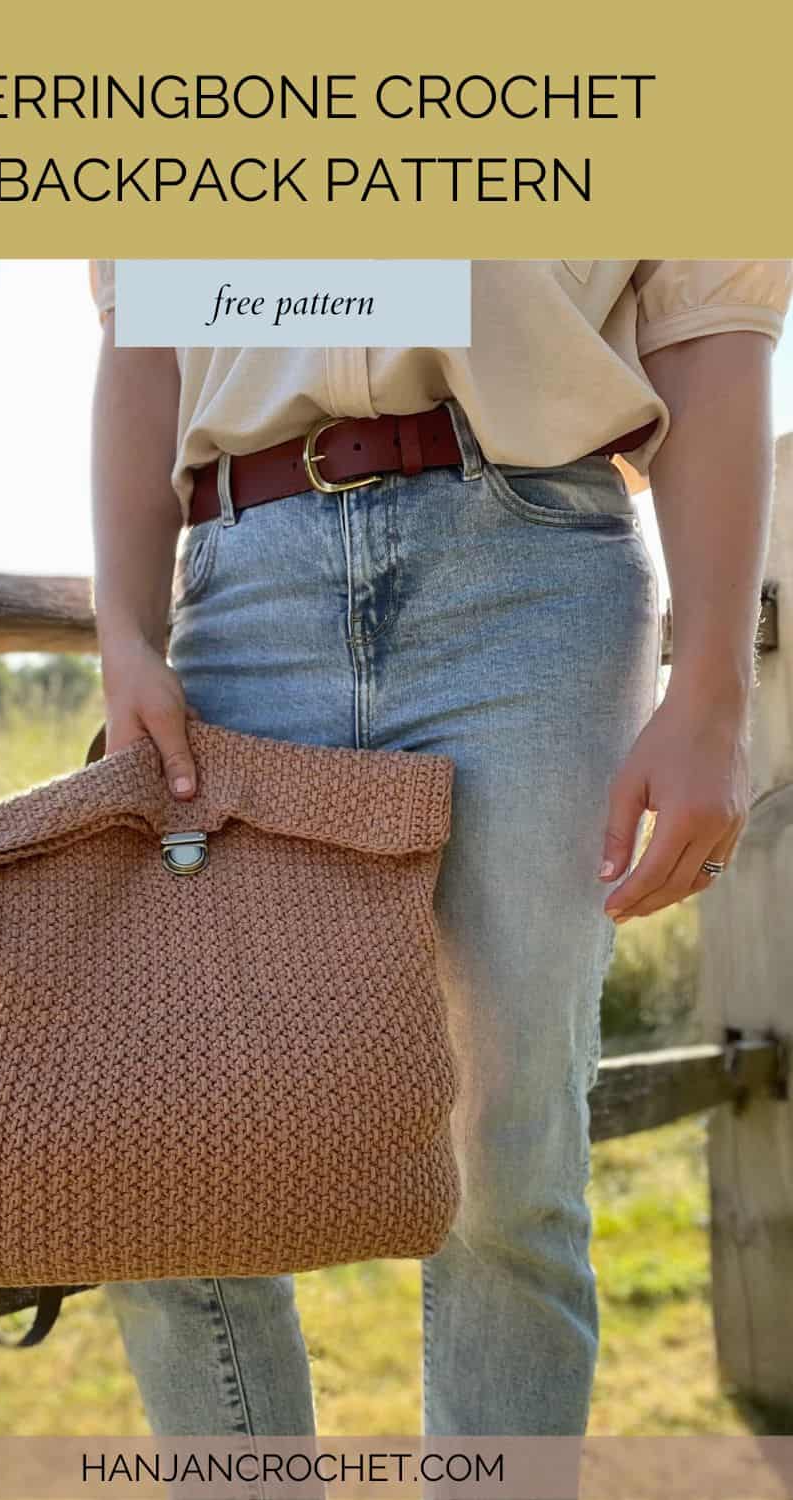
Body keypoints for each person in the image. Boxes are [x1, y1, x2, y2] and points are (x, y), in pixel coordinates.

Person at [87, 259, 791, 1441]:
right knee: (168, 1157)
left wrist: (712, 687)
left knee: (506, 1176)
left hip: (533, 575)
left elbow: (711, 326)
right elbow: (143, 347)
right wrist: (121, 631)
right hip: (239, 588)